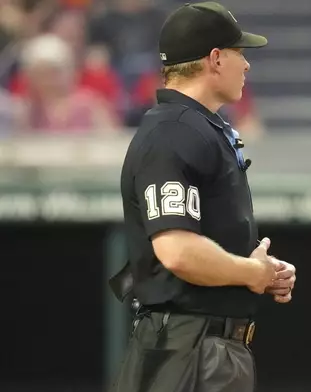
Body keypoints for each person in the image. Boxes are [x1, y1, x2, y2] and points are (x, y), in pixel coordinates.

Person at [109, 2, 296, 391]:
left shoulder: (197, 127)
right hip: (188, 350)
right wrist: (251, 273)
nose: (246, 65)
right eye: (240, 53)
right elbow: (177, 250)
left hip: (201, 347)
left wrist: (261, 269)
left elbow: (204, 240)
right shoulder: (174, 132)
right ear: (215, 59)